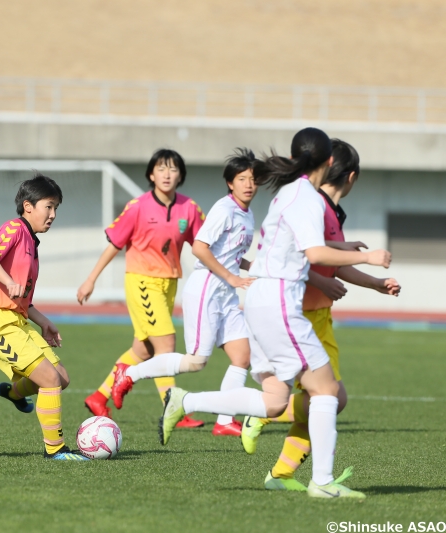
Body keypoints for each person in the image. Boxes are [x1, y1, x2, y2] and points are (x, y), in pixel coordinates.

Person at [158, 127, 392, 499]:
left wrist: (339, 244)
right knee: (327, 390)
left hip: (260, 298)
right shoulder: (308, 198)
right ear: (329, 161)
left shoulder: (289, 193)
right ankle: (323, 482)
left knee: (274, 401)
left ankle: (184, 401)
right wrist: (367, 256)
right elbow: (314, 255)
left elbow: (299, 243)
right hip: (281, 299)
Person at [239, 139, 401, 490]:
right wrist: (356, 270)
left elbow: (327, 259)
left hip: (315, 313)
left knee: (325, 400)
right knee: (330, 397)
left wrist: (373, 284)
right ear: (350, 175)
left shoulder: (326, 208)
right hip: (299, 313)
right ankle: (265, 418)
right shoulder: (315, 204)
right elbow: (310, 257)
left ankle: (281, 474)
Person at [109, 148, 259, 437]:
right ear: (230, 183)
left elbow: (227, 252)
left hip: (226, 292)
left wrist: (251, 266)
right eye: (242, 179)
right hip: (207, 289)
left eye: (253, 179)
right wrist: (231, 276)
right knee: (196, 361)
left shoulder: (247, 213)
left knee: (242, 355)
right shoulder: (224, 209)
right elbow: (201, 248)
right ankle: (128, 373)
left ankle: (225, 420)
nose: (248, 184)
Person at [78, 149, 206, 428]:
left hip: (169, 283)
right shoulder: (137, 206)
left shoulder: (190, 208)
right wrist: (91, 279)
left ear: (181, 175)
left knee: (144, 350)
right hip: (142, 281)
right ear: (151, 174)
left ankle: (98, 397)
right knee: (167, 344)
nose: (167, 174)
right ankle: (173, 408)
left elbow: (204, 247)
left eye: (173, 169)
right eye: (161, 168)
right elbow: (114, 245)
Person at [0, 174, 87, 460]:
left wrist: (44, 321)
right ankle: (55, 449)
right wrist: (8, 280)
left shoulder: (32, 244)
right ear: (28, 206)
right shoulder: (14, 228)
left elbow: (24, 300)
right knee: (49, 379)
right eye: (49, 207)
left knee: (61, 378)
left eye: (56, 208)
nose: (53, 215)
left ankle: (14, 393)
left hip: (17, 320)